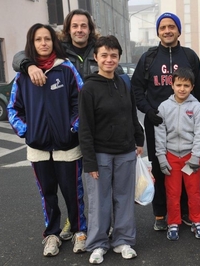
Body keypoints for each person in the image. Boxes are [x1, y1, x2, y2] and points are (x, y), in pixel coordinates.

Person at [12, 9, 130, 241]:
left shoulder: (100, 48)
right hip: (73, 130)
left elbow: (119, 75)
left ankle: (106, 226)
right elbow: (20, 56)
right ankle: (76, 224)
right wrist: (28, 65)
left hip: (101, 127)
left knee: (101, 183)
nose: (79, 30)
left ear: (90, 28)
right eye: (74, 26)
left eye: (83, 25)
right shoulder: (59, 49)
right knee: (73, 186)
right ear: (67, 30)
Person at [7, 23, 87, 256]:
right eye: (38, 40)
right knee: (48, 194)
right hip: (38, 148)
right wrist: (27, 132)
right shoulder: (22, 76)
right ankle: (52, 234)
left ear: (55, 42)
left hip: (67, 147)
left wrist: (73, 128)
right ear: (31, 44)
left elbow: (80, 103)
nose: (43, 43)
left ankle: (80, 231)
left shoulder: (67, 69)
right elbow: (13, 109)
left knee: (73, 192)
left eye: (48, 39)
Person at [131, 12, 200, 231]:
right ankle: (161, 213)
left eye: (172, 26)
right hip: (158, 124)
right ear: (158, 32)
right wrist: (148, 110)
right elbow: (136, 89)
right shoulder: (149, 58)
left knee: (187, 170)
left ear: (179, 30)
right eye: (163, 27)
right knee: (162, 170)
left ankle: (184, 212)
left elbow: (198, 91)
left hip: (187, 126)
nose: (167, 30)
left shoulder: (190, 57)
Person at [78, 35, 144, 265]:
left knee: (124, 198)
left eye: (113, 55)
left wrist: (139, 138)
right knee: (99, 200)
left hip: (126, 151)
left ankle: (123, 240)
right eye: (104, 55)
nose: (109, 59)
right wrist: (90, 162)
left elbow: (131, 114)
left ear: (118, 58)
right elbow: (84, 128)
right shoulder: (88, 89)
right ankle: (97, 244)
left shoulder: (124, 82)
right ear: (95, 57)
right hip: (100, 154)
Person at [155, 67, 200, 241]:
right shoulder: (164, 107)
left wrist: (195, 156)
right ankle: (173, 223)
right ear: (172, 85)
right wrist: (161, 157)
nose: (182, 89)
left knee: (193, 192)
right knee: (172, 192)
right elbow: (160, 133)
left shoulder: (197, 107)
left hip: (189, 156)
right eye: (179, 85)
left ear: (192, 87)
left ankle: (197, 221)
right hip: (171, 156)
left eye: (186, 85)